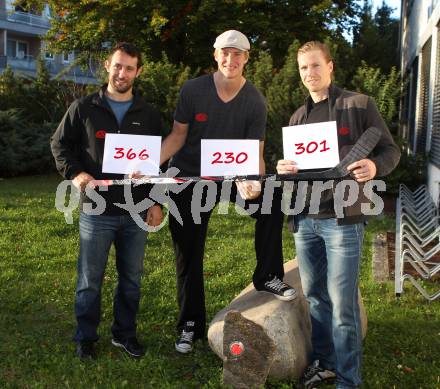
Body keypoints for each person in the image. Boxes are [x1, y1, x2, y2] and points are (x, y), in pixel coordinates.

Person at [160, 30, 297, 354]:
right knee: (188, 251)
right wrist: (149, 165)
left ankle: (267, 275)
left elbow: (256, 151)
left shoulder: (255, 100)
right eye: (225, 52)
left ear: (246, 59)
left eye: (238, 54)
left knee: (272, 195)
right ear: (215, 54)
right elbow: (177, 137)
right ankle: (189, 324)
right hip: (192, 178)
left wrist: (254, 181)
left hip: (232, 177)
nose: (230, 60)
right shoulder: (193, 90)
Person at [277, 41, 400, 388]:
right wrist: (284, 167)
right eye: (303, 68)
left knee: (343, 305)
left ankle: (348, 380)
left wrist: (375, 165)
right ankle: (325, 363)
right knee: (316, 296)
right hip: (305, 219)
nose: (309, 74)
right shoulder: (297, 118)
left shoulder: (358, 105)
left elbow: (391, 150)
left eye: (315, 66)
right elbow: (296, 169)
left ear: (330, 67)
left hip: (342, 220)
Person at [51, 42, 163, 360]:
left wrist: (156, 201)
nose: (122, 73)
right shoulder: (84, 107)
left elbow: (158, 165)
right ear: (107, 66)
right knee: (90, 278)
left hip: (137, 210)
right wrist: (76, 174)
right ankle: (85, 337)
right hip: (97, 209)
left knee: (131, 279)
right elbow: (59, 144)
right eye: (117, 65)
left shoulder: (149, 115)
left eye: (129, 67)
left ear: (138, 72)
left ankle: (124, 334)